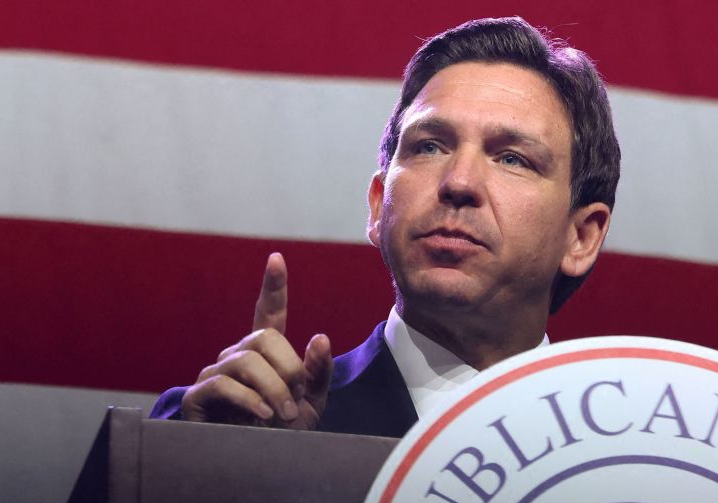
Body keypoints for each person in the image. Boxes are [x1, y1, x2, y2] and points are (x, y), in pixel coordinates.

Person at [149, 16, 621, 438]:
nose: (458, 182)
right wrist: (218, 462)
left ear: (581, 236)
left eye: (511, 158)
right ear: (377, 206)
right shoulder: (209, 428)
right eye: (429, 146)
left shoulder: (639, 464)